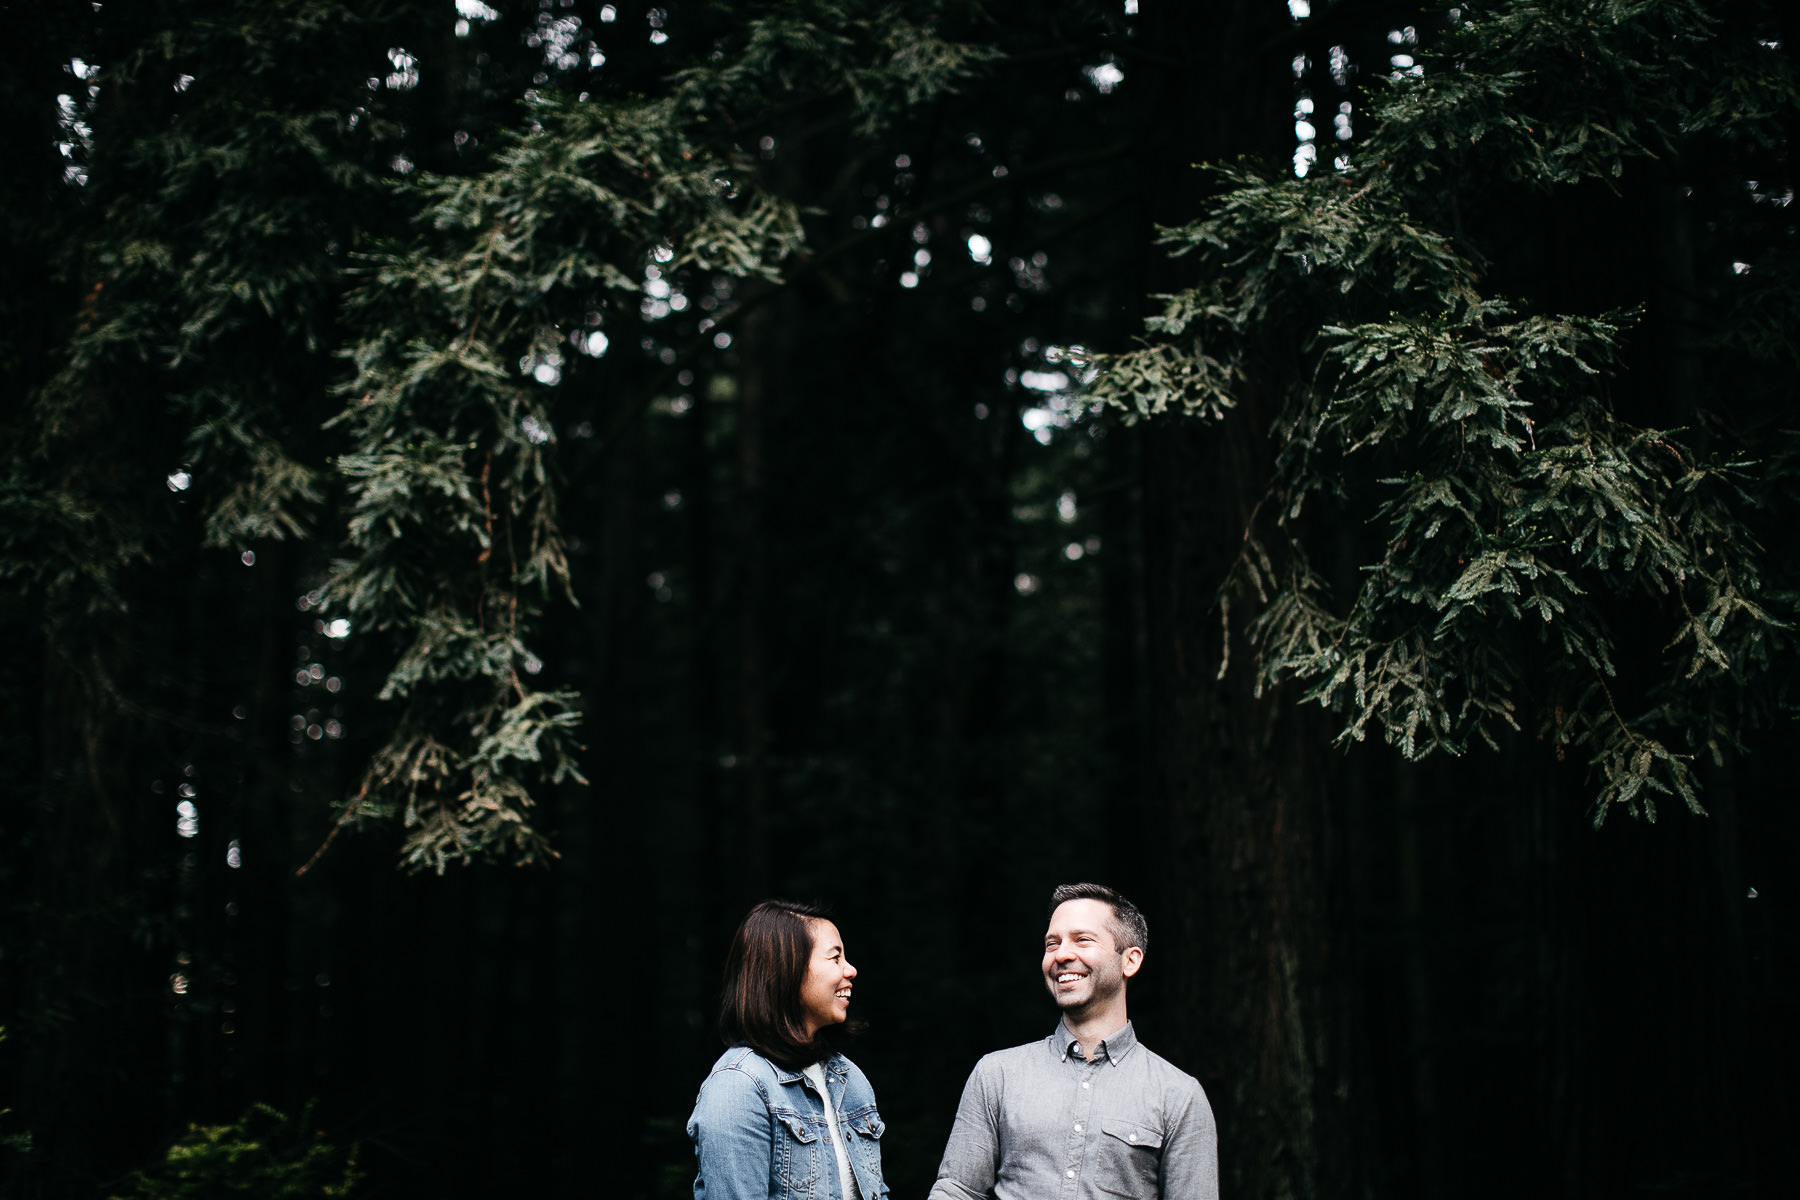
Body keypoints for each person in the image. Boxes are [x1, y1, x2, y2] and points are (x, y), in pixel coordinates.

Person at [928, 882, 1219, 1200]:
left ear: (1130, 961)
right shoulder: (996, 1075)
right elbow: (958, 1191)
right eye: (1052, 944)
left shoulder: (1179, 1096)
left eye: (1083, 940)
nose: (1062, 955)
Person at [688, 900, 890, 1200]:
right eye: (835, 958)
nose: (851, 970)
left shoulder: (849, 1079)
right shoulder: (738, 1087)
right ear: (788, 970)